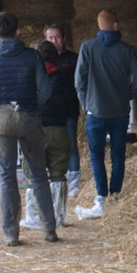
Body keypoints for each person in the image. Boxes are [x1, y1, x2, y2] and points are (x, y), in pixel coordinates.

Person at [0, 11, 58, 246]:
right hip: (29, 116)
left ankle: (11, 233)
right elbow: (45, 90)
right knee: (39, 174)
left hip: (3, 120)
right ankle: (49, 230)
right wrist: (32, 105)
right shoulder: (32, 57)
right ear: (18, 31)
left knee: (8, 177)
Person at [73, 9, 137, 219]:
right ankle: (116, 194)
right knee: (118, 156)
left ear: (99, 26)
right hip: (120, 111)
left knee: (96, 156)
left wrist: (86, 104)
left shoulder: (88, 48)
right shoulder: (127, 50)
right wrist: (126, 95)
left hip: (95, 112)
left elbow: (79, 81)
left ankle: (101, 197)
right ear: (116, 25)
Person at [18, 40, 74, 229]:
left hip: (34, 131)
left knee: (34, 174)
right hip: (59, 130)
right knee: (58, 175)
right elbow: (73, 109)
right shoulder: (65, 79)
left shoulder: (28, 80)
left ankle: (35, 217)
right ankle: (58, 218)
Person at [43, 24, 81, 197]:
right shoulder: (39, 60)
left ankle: (74, 184)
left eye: (57, 37)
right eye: (50, 38)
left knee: (71, 145)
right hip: (48, 112)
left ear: (64, 39)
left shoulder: (73, 59)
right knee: (46, 146)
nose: (54, 41)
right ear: (45, 39)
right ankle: (51, 181)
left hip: (69, 110)